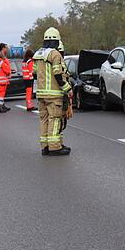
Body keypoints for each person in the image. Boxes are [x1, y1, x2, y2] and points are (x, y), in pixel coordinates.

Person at [33, 27, 72, 156]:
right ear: (56, 41)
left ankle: (45, 147)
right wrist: (68, 89)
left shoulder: (38, 54)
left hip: (40, 94)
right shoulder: (55, 54)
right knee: (55, 119)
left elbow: (34, 74)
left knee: (44, 119)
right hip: (53, 94)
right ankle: (55, 147)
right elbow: (58, 75)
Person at [0, 43, 11, 113]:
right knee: (1, 94)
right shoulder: (2, 61)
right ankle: (0, 108)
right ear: (3, 48)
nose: (7, 49)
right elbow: (7, 71)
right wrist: (6, 60)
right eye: (6, 48)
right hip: (2, 81)